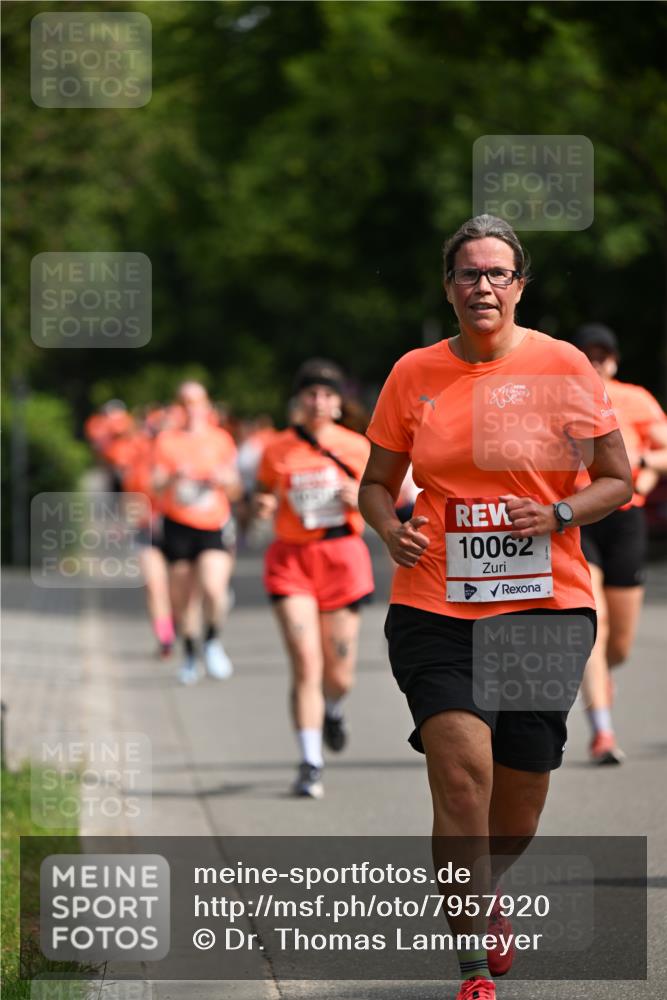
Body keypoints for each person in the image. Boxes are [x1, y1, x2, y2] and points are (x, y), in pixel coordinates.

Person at [359, 215, 632, 1000]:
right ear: (447, 287)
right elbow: (376, 483)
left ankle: (486, 888)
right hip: (435, 601)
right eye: (467, 274)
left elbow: (615, 479)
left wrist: (559, 517)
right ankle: (470, 963)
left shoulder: (563, 365)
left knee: (516, 799)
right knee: (460, 776)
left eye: (497, 274)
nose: (482, 286)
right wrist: (387, 529)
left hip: (544, 603)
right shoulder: (413, 373)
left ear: (518, 284)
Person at [254, 359, 374, 799]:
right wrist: (262, 506)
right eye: (311, 394)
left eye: (327, 394)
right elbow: (263, 492)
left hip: (343, 559)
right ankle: (310, 762)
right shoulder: (278, 448)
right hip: (292, 562)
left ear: (339, 403)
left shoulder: (359, 447)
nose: (319, 401)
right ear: (299, 401)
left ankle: (335, 709)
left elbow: (386, 501)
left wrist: (359, 498)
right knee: (306, 662)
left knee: (339, 674)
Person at [573, 323, 667, 764]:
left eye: (602, 355)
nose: (595, 363)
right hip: (576, 518)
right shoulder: (559, 400)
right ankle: (602, 732)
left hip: (625, 520)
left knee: (620, 643)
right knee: (595, 621)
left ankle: (602, 681)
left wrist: (645, 466)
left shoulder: (636, 399)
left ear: (614, 360)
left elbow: (662, 453)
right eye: (586, 355)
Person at [152, 381, 241, 685]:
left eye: (197, 401)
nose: (191, 408)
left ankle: (212, 640)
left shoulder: (220, 439)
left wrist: (224, 479)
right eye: (185, 402)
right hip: (177, 524)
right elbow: (155, 484)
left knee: (214, 589)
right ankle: (190, 652)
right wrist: (173, 477)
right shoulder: (166, 440)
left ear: (207, 405)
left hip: (212, 524)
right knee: (182, 598)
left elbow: (236, 486)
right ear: (178, 407)